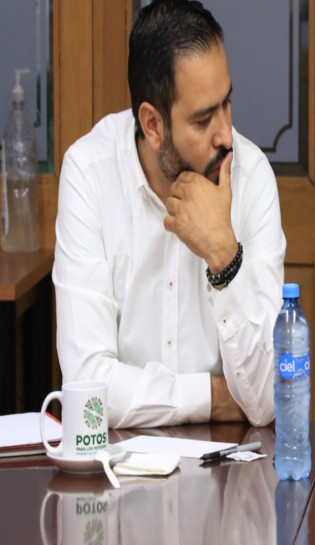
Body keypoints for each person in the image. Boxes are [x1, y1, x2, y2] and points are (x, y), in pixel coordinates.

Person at [53, 0, 285, 428]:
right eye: (203, 120)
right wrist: (212, 397)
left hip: (230, 459)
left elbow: (269, 400)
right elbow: (87, 390)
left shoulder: (251, 175)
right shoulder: (89, 172)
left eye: (226, 104)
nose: (226, 135)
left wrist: (224, 257)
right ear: (153, 125)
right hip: (120, 462)